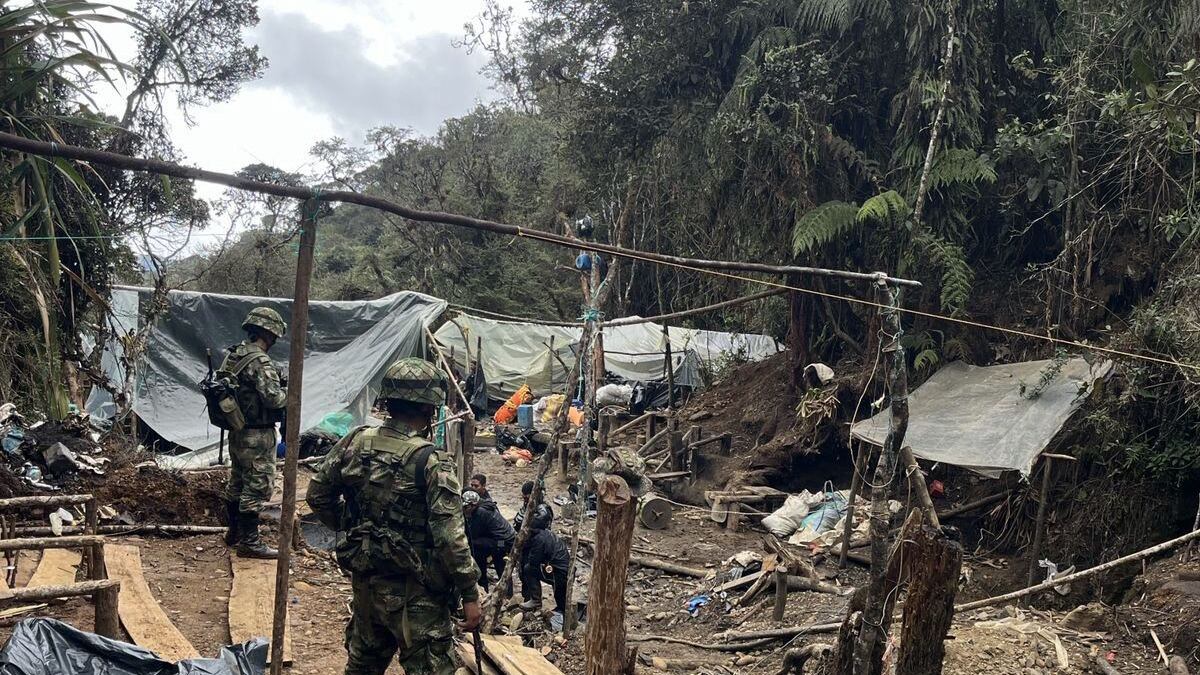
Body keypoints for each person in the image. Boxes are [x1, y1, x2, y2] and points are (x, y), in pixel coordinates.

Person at [306, 357, 480, 675]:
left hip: (367, 584)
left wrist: (354, 527)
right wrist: (469, 591)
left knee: (362, 665)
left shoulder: (355, 442)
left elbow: (317, 496)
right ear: (430, 409)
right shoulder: (432, 461)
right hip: (417, 595)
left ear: (388, 400)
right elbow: (450, 538)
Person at [221, 306, 288, 559]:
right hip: (258, 435)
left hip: (237, 430)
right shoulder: (260, 361)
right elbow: (272, 399)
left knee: (237, 481)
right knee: (258, 486)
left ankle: (234, 532)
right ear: (268, 334)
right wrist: (288, 395)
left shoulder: (233, 355)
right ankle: (249, 542)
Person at [462, 490, 514, 590]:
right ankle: (484, 585)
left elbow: (474, 534)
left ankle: (498, 590)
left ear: (473, 505)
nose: (464, 510)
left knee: (475, 547)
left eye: (466, 507)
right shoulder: (482, 507)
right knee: (478, 550)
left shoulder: (480, 513)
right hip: (497, 539)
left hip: (503, 542)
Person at [519, 518, 569, 617]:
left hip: (559, 571)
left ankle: (536, 601)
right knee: (559, 591)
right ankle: (560, 609)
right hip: (562, 567)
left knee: (529, 569)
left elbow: (534, 561)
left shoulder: (539, 539)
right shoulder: (546, 533)